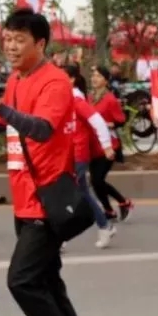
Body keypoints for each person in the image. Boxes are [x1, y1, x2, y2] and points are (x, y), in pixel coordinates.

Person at [0, 9, 97, 316]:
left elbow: (41, 129)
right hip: (24, 199)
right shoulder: (17, 79)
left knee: (22, 281)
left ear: (40, 43)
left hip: (46, 202)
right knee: (47, 281)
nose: (10, 47)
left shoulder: (55, 82)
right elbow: (2, 122)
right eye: (7, 39)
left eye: (19, 40)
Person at [63, 65, 115, 249]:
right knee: (65, 193)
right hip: (65, 155)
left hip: (78, 154)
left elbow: (98, 121)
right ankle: (103, 225)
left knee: (79, 193)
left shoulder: (77, 100)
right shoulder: (63, 99)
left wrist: (107, 145)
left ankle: (104, 225)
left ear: (71, 79)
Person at [88, 66, 133, 221]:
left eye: (99, 76)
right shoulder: (90, 97)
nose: (94, 78)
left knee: (97, 180)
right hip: (93, 145)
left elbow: (121, 120)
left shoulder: (110, 99)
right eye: (93, 75)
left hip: (108, 146)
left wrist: (106, 124)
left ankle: (122, 203)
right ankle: (110, 209)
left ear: (106, 81)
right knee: (95, 182)